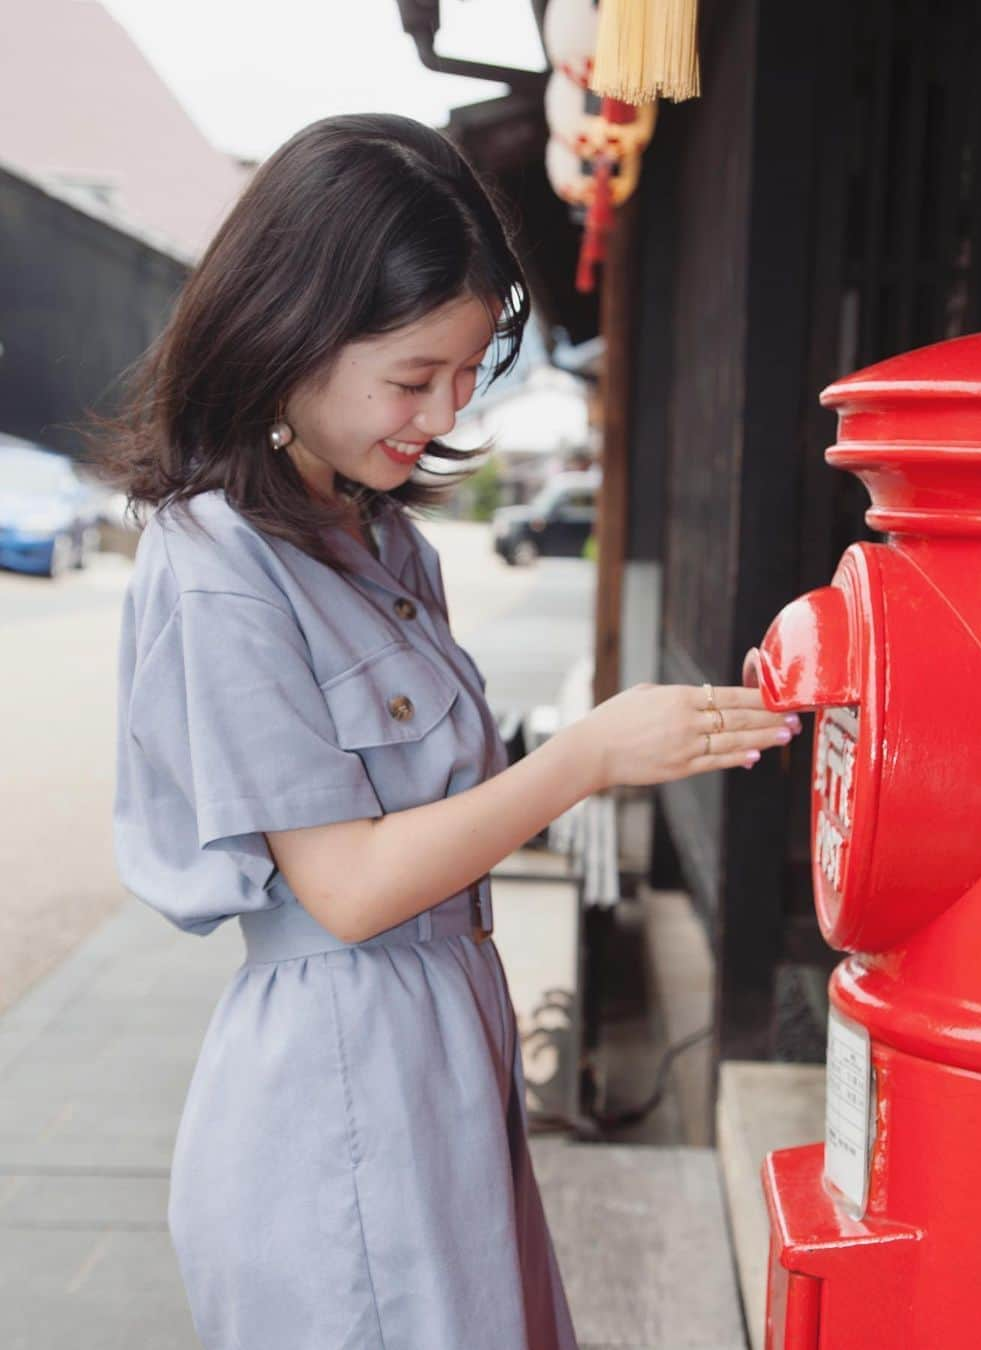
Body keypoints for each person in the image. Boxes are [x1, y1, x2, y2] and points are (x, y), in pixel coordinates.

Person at [95, 113, 797, 1350]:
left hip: (440, 1047)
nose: (442, 411)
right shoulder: (217, 564)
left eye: (469, 375)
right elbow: (351, 886)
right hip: (339, 1083)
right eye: (413, 377)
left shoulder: (384, 537)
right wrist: (581, 758)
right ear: (290, 330)